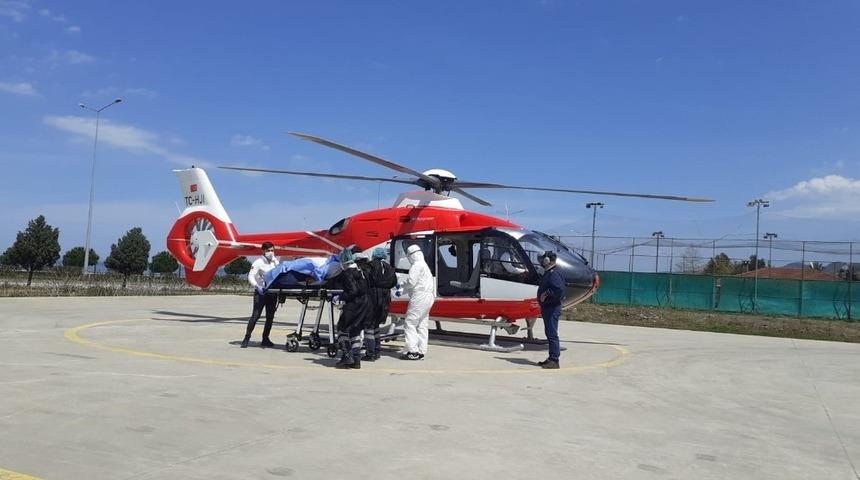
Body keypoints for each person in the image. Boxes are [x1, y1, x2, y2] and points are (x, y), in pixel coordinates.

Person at [334, 247, 371, 369]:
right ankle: (356, 359)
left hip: (353, 305)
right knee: (355, 331)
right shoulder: (361, 272)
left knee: (342, 329)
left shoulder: (347, 274)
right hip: (364, 304)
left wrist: (340, 296)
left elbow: (352, 291)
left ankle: (347, 355)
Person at [241, 242, 280, 348]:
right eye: (268, 251)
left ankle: (265, 338)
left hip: (272, 292)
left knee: (270, 317)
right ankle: (247, 337)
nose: (270, 253)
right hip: (261, 292)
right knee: (256, 315)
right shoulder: (258, 262)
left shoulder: (275, 262)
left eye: (272, 250)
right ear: (263, 251)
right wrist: (257, 286)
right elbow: (251, 276)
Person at [363, 247, 397, 361]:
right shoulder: (389, 268)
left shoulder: (369, 266)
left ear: (374, 255)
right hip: (385, 299)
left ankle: (370, 353)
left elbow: (364, 281)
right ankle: (377, 351)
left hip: (372, 298)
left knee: (368, 326)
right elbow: (394, 282)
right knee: (376, 325)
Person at [401, 244, 435, 360]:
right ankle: (421, 350)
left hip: (419, 296)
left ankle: (412, 351)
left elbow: (411, 282)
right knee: (422, 324)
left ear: (411, 255)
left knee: (410, 322)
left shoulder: (416, 266)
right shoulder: (425, 266)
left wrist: (402, 287)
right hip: (429, 297)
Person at [536, 250, 565, 369]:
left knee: (552, 334)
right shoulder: (550, 272)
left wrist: (546, 294)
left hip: (552, 308)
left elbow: (559, 290)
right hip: (548, 307)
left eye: (543, 259)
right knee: (550, 333)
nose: (541, 261)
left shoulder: (553, 273)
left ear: (548, 260)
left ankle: (554, 360)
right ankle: (551, 358)